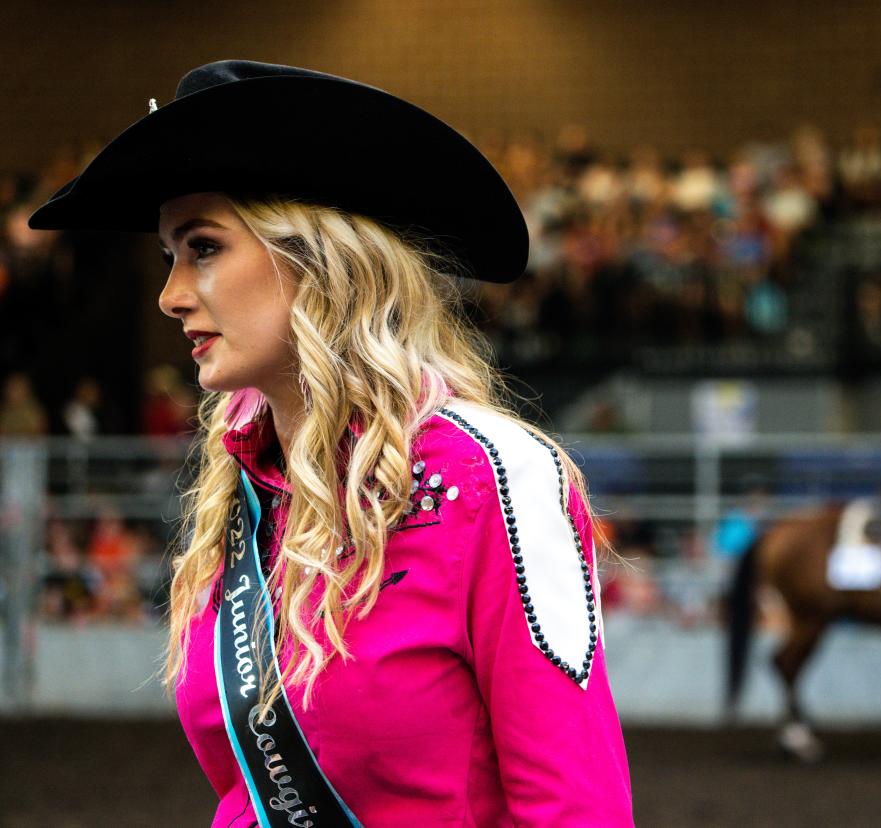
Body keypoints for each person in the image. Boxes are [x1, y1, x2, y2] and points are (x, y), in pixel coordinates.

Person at [30, 60, 632, 826]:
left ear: (317, 259)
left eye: (203, 247)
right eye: (168, 256)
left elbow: (577, 807)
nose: (171, 294)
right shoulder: (238, 492)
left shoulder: (489, 478)